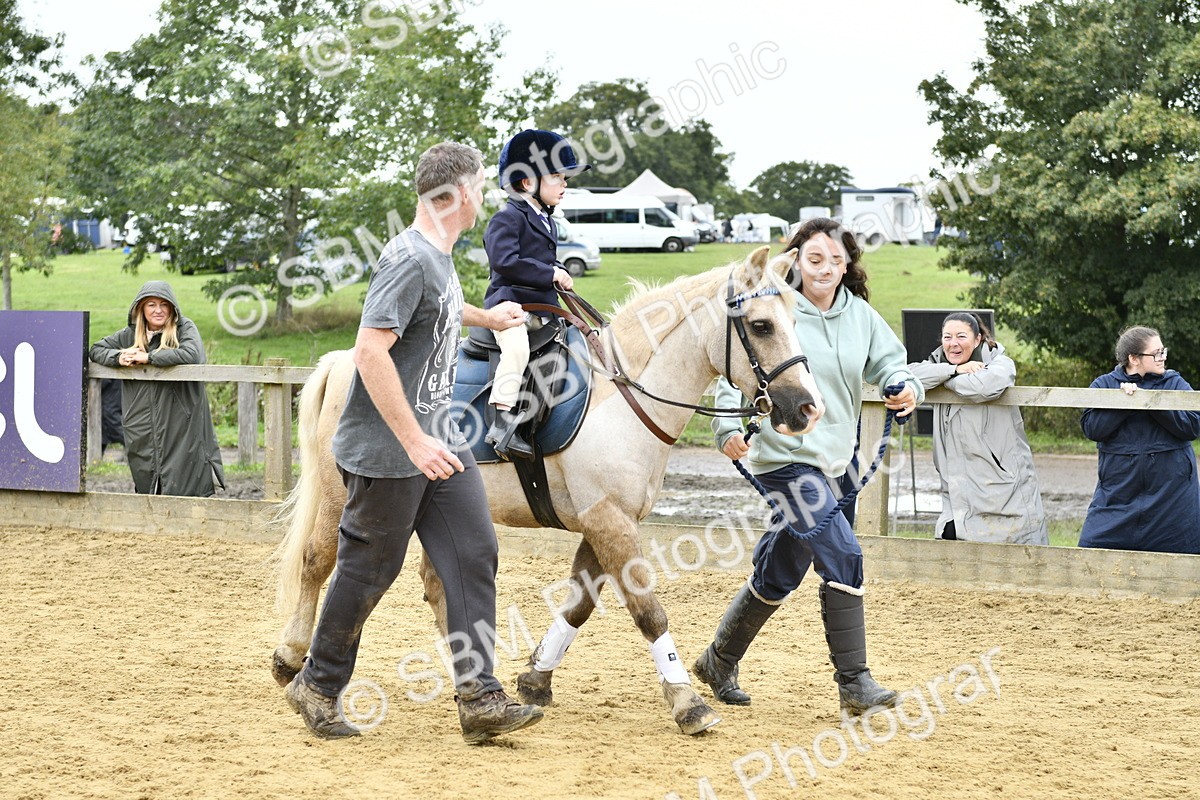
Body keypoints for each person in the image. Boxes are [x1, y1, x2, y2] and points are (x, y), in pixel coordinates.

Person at [285, 141, 545, 743]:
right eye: (478, 185)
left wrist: (489, 318)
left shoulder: (440, 257)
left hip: (436, 443)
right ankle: (317, 684)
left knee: (473, 553)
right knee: (368, 570)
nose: (484, 196)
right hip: (392, 451)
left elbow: (438, 310)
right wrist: (414, 443)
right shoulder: (407, 258)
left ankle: (480, 699)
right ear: (453, 194)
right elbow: (371, 349)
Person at [694, 217, 923, 713]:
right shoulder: (777, 305)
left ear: (847, 265)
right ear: (795, 259)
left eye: (837, 261)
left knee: (781, 569)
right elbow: (740, 367)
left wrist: (904, 385)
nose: (826, 269)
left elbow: (891, 363)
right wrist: (727, 428)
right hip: (785, 460)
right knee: (843, 554)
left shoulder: (860, 315)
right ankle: (855, 684)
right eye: (815, 259)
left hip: (838, 463)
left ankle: (718, 659)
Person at [482, 129, 590, 460]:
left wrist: (557, 271)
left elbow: (541, 260)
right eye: (557, 177)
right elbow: (505, 261)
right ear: (528, 182)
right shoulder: (506, 217)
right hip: (509, 305)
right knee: (515, 349)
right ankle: (502, 426)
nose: (564, 184)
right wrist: (549, 272)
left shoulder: (546, 220)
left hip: (542, 307)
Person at [909, 313, 1048, 544]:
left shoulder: (1000, 362)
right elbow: (906, 376)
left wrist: (946, 381)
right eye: (947, 337)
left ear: (977, 339)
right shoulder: (938, 367)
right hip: (956, 487)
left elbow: (984, 387)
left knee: (1015, 555)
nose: (953, 343)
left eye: (961, 336)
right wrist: (952, 371)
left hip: (1000, 482)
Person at [89, 281, 224, 496]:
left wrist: (149, 357)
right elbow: (96, 349)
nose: (158, 310)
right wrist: (118, 357)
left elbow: (192, 354)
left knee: (187, 479)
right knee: (147, 478)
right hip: (141, 422)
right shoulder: (130, 335)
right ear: (141, 308)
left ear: (172, 308)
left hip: (181, 421)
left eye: (164, 304)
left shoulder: (184, 328)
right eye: (151, 304)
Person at [1079, 326, 1200, 554]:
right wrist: (1122, 404)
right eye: (1155, 354)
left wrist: (1150, 402)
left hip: (1172, 498)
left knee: (1183, 564)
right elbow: (1092, 429)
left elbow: (1193, 426)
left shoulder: (1174, 382)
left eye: (1163, 351)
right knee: (1090, 554)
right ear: (1133, 358)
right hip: (1118, 495)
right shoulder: (1104, 384)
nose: (1162, 358)